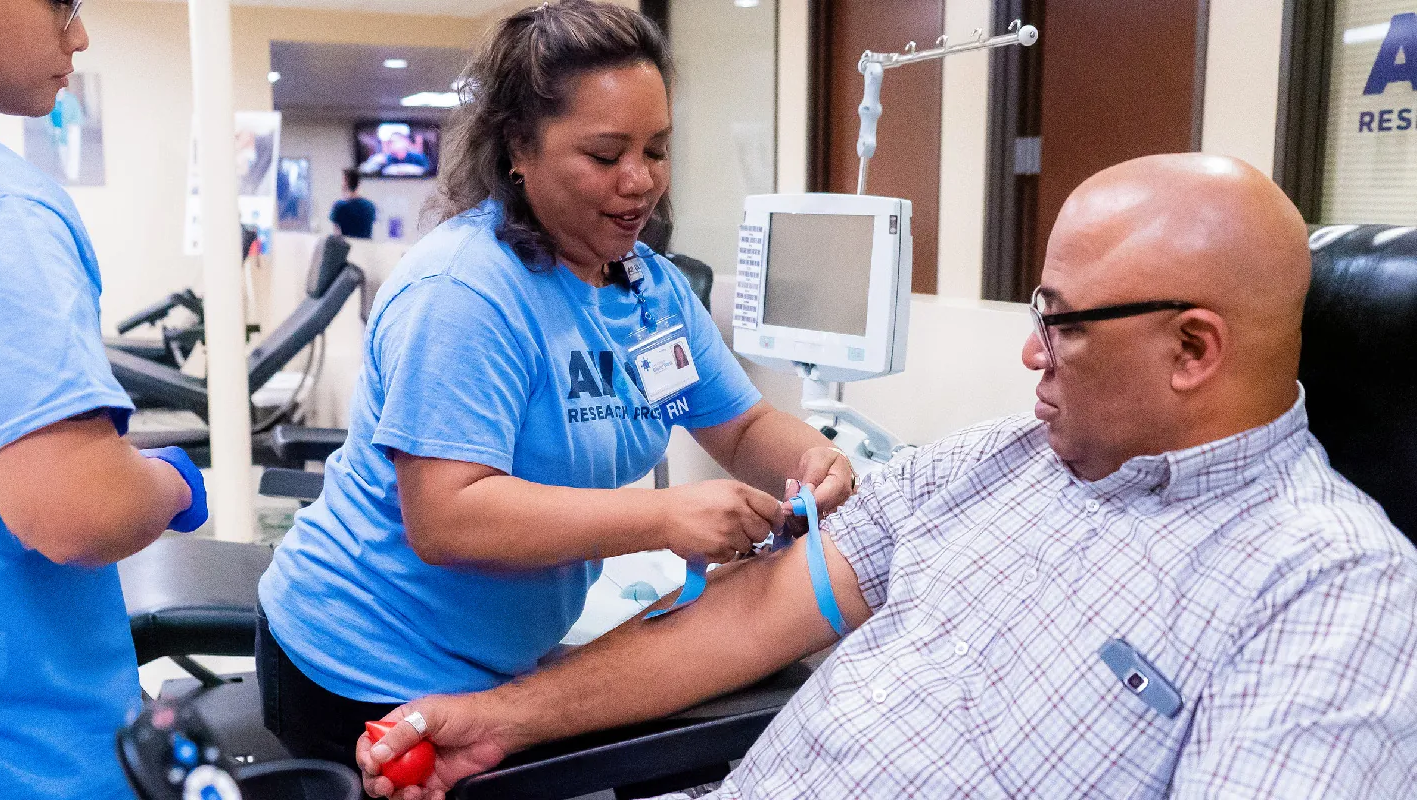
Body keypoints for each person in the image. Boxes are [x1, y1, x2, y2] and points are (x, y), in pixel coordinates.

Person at [355, 153, 1417, 800]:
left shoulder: (1331, 592)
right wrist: (504, 717)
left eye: (1060, 323)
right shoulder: (995, 464)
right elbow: (749, 615)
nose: (1029, 354)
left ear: (1194, 350)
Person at [255, 0, 857, 776]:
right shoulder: (465, 292)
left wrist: (814, 459)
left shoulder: (649, 290)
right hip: (362, 667)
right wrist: (663, 517)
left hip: (502, 667)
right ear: (518, 148)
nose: (640, 182)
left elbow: (738, 427)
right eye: (606, 155)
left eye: (656, 149)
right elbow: (447, 517)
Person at [0, 1, 208, 798]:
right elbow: (79, 513)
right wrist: (171, 482)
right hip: (4, 760)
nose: (76, 35)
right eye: (62, 5)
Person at [331, 167, 377, 238]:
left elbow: (337, 234)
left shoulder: (339, 206)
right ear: (358, 183)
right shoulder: (370, 206)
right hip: (367, 248)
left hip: (347, 247)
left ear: (345, 182)